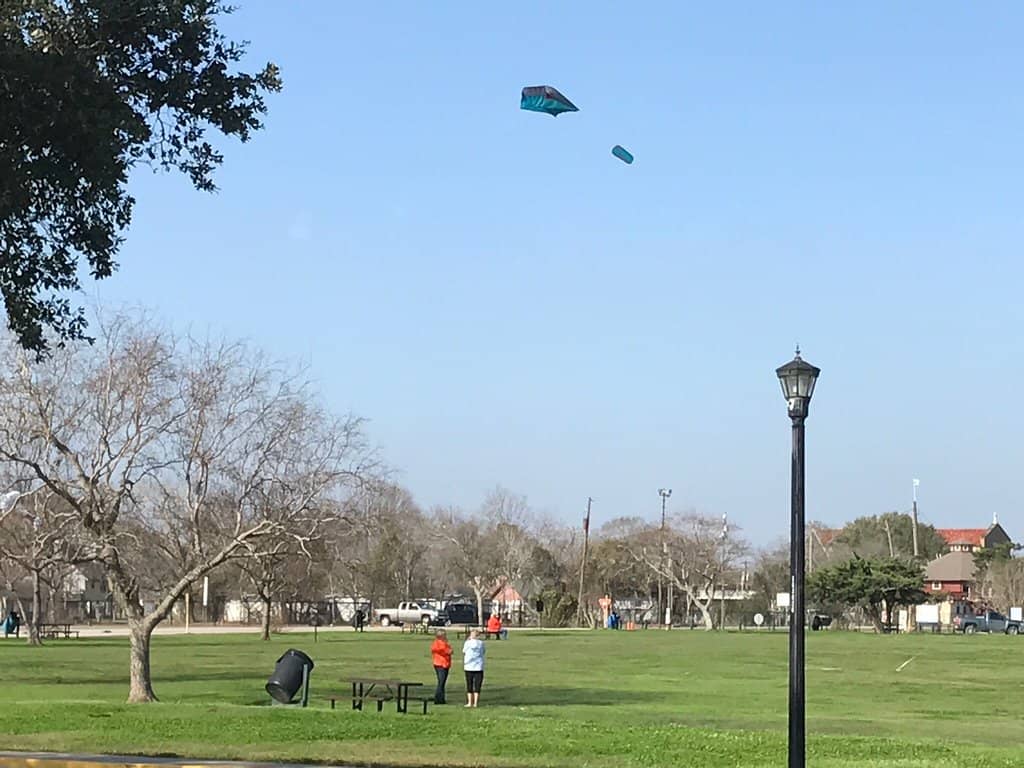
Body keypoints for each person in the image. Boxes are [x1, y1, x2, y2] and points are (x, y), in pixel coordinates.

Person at [462, 628, 486, 707]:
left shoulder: (467, 643)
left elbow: (464, 651)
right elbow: (483, 652)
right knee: (477, 685)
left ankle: (469, 702)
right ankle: (475, 703)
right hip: (478, 666)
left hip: (468, 666)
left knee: (469, 685)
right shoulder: (481, 643)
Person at [430, 629, 452, 704]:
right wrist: (448, 651)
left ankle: (441, 699)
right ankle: (437, 698)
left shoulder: (443, 643)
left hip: (443, 664)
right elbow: (445, 651)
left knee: (442, 682)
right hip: (441, 664)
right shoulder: (438, 643)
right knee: (441, 682)